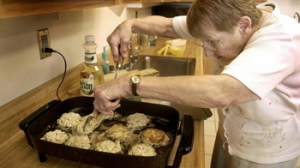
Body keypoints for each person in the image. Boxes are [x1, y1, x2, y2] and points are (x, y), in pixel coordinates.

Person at [92, 0, 300, 167]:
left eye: (212, 41)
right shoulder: (230, 18)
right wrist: (130, 24)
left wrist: (130, 83)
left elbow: (222, 91)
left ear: (244, 25)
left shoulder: (282, 39)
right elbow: (167, 26)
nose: (208, 52)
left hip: (265, 151)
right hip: (230, 133)